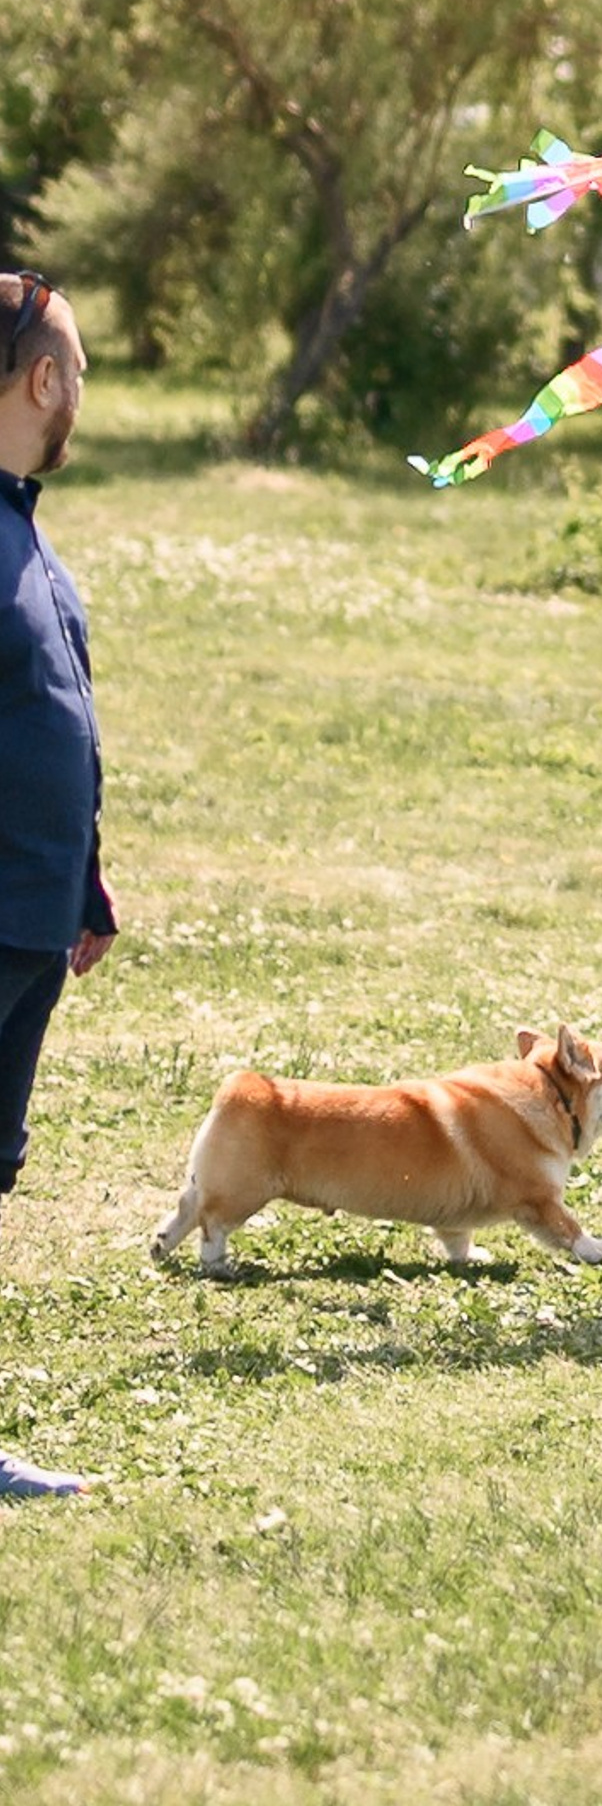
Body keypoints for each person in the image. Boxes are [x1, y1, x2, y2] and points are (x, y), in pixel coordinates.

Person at [0, 273, 114, 1495]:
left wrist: (84, 883)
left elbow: (54, 717)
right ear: (41, 380)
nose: (81, 391)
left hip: (30, 914)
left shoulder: (23, 526)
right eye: (76, 369)